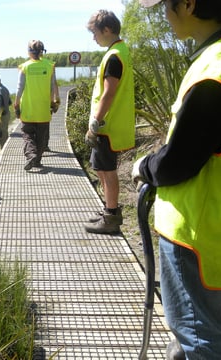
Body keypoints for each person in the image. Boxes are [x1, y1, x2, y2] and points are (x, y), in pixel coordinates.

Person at [133, 1, 221, 358]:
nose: (162, 15)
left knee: (200, 339)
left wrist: (145, 165)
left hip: (197, 237)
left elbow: (179, 161)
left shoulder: (213, 73)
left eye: (164, 6)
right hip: (213, 230)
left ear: (188, 4)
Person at [83, 10, 135, 235]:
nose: (93, 38)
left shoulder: (114, 56)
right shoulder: (118, 51)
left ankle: (111, 216)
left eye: (94, 33)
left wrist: (95, 122)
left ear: (106, 29)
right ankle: (108, 209)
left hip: (107, 126)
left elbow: (109, 93)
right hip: (110, 125)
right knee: (102, 170)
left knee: (107, 170)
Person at [14, 40, 60, 171]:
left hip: (28, 109)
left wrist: (16, 104)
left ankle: (31, 156)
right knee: (41, 136)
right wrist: (54, 101)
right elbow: (53, 86)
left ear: (29, 51)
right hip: (44, 109)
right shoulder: (49, 66)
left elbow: (19, 88)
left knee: (27, 134)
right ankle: (37, 160)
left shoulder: (25, 67)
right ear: (42, 51)